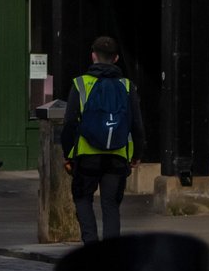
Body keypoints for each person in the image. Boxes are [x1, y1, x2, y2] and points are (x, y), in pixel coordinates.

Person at [60, 35, 145, 244]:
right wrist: (136, 155)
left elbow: (69, 123)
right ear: (116, 58)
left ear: (93, 56)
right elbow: (137, 125)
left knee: (83, 199)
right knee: (111, 205)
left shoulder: (81, 84)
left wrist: (68, 153)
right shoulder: (127, 86)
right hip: (117, 155)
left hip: (86, 156)